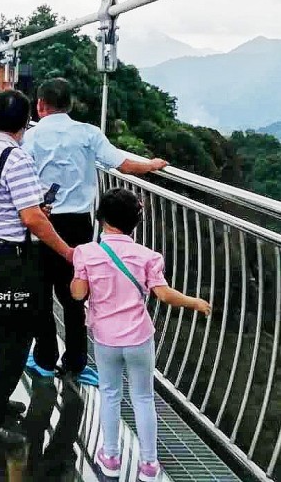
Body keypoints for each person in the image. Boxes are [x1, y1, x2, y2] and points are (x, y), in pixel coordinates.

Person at [22, 77, 168, 387]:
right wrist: (152, 164)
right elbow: (125, 165)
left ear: (40, 105)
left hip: (41, 222)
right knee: (75, 295)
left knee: (40, 293)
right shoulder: (88, 133)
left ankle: (44, 359)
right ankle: (76, 362)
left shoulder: (31, 137)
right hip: (77, 225)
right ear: (70, 104)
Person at [73, 188, 211, 481]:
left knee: (110, 394)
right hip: (138, 337)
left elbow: (78, 293)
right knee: (143, 398)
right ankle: (149, 465)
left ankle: (110, 457)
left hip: (105, 338)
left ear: (100, 217)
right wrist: (194, 302)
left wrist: (78, 276)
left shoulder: (86, 252)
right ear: (135, 223)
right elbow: (163, 294)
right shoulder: (148, 256)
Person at [0, 90, 74, 445]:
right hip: (15, 259)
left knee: (0, 338)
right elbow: (31, 218)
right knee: (11, 345)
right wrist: (67, 251)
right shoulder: (17, 157)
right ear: (25, 122)